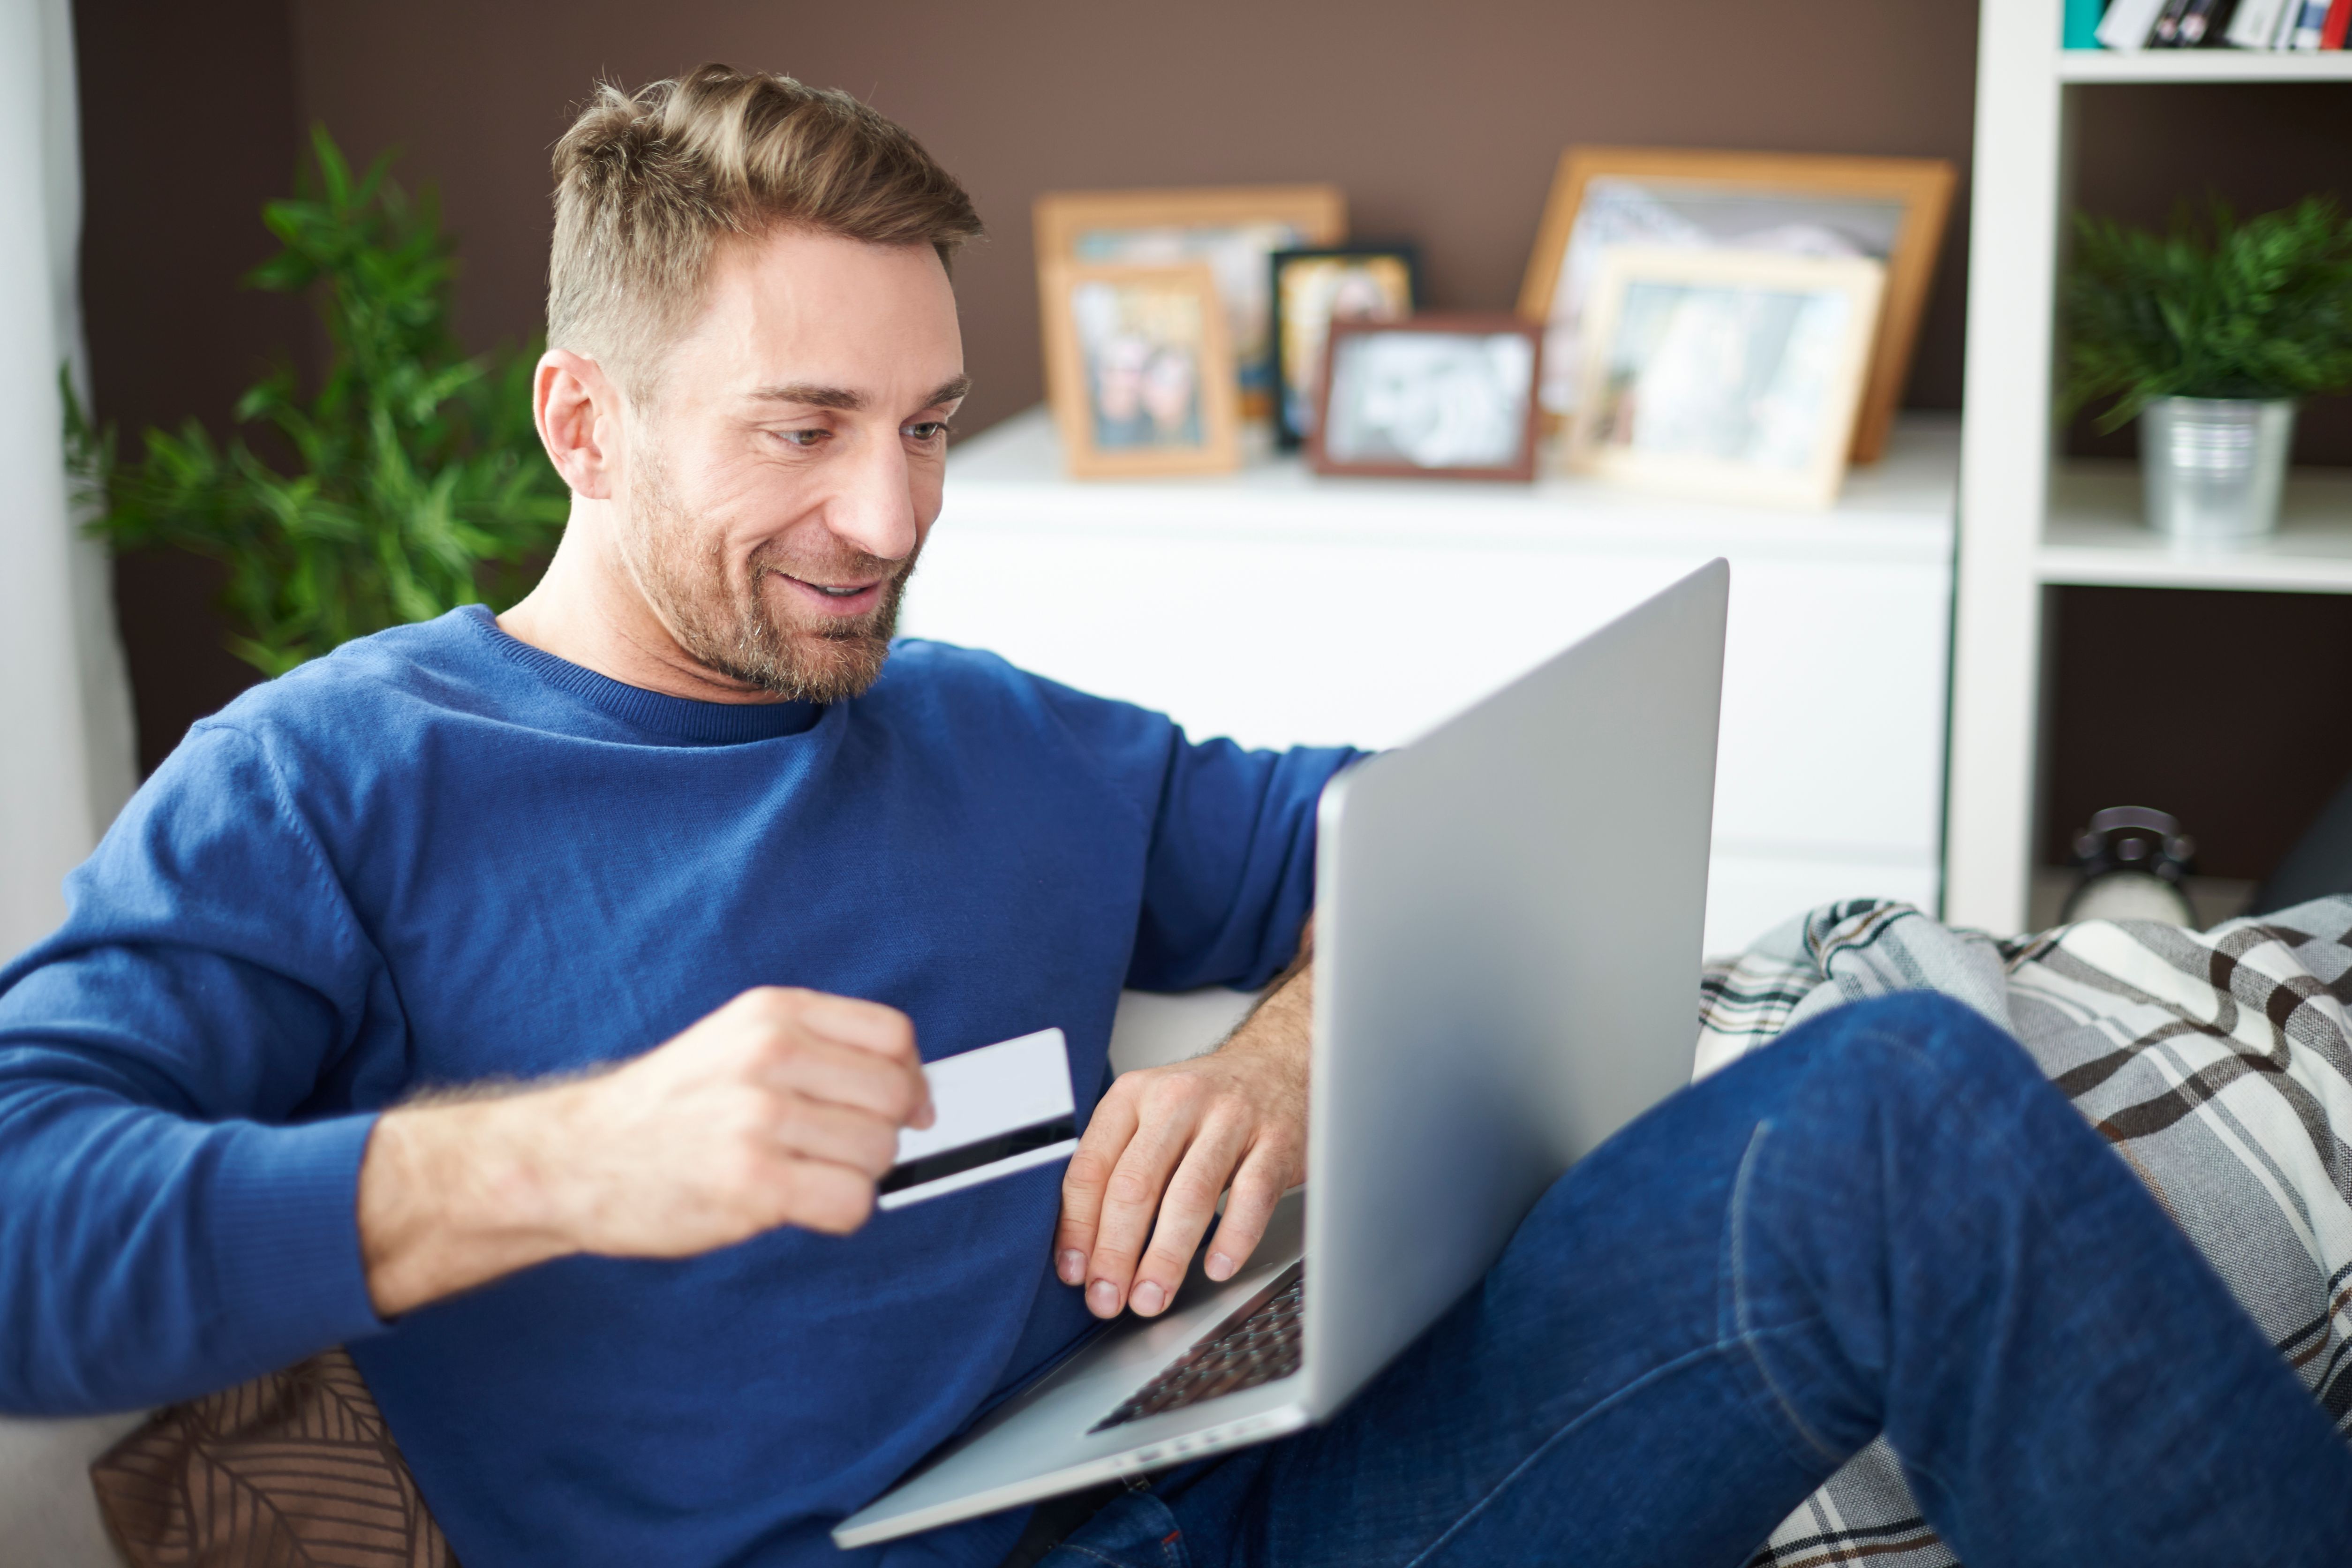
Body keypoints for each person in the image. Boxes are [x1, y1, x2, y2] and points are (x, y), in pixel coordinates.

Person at [0, 65, 2346, 1568]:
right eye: (804, 426)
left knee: (1907, 1103)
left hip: (1246, 1480)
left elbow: (1417, 836)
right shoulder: (332, 778)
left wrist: (1278, 1058)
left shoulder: (990, 728)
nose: (889, 512)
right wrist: (569, 1159)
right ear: (581, 422)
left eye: (930, 424)